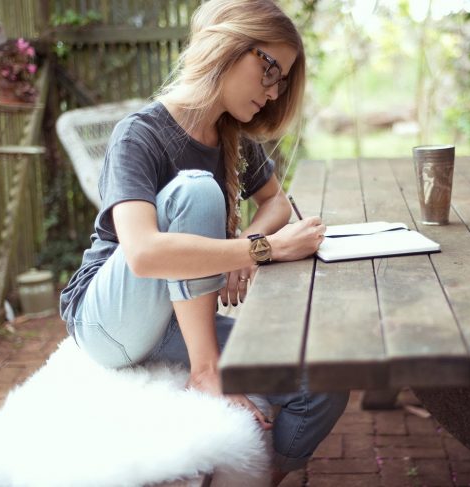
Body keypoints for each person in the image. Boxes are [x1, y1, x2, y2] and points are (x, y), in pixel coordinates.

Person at [59, 0, 349, 484]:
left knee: (324, 379)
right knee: (197, 189)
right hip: (109, 321)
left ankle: (262, 477)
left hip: (178, 320)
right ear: (229, 45)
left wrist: (247, 240)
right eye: (270, 70)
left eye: (282, 81)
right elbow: (144, 253)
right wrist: (260, 250)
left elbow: (277, 202)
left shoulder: (231, 134)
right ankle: (205, 370)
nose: (274, 93)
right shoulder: (140, 134)